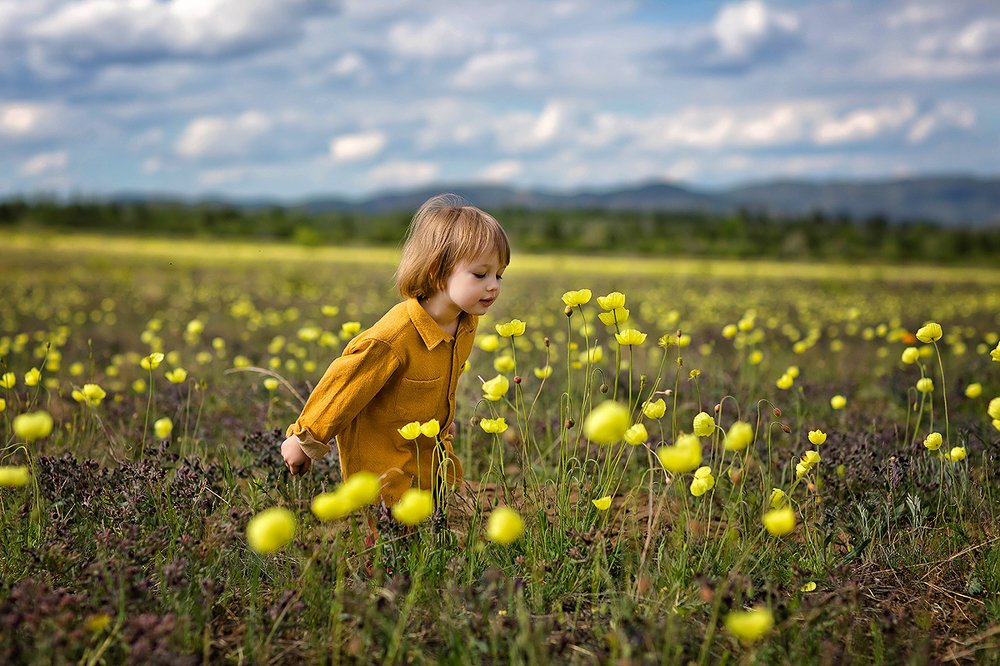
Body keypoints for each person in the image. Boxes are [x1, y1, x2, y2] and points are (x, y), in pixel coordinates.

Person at [280, 193, 509, 511]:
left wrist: (443, 416)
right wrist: (305, 440)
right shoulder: (392, 337)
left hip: (426, 450)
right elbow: (344, 385)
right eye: (480, 274)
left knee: (434, 507)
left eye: (499, 274)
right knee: (390, 527)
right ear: (437, 272)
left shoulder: (466, 324)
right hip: (380, 458)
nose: (494, 285)